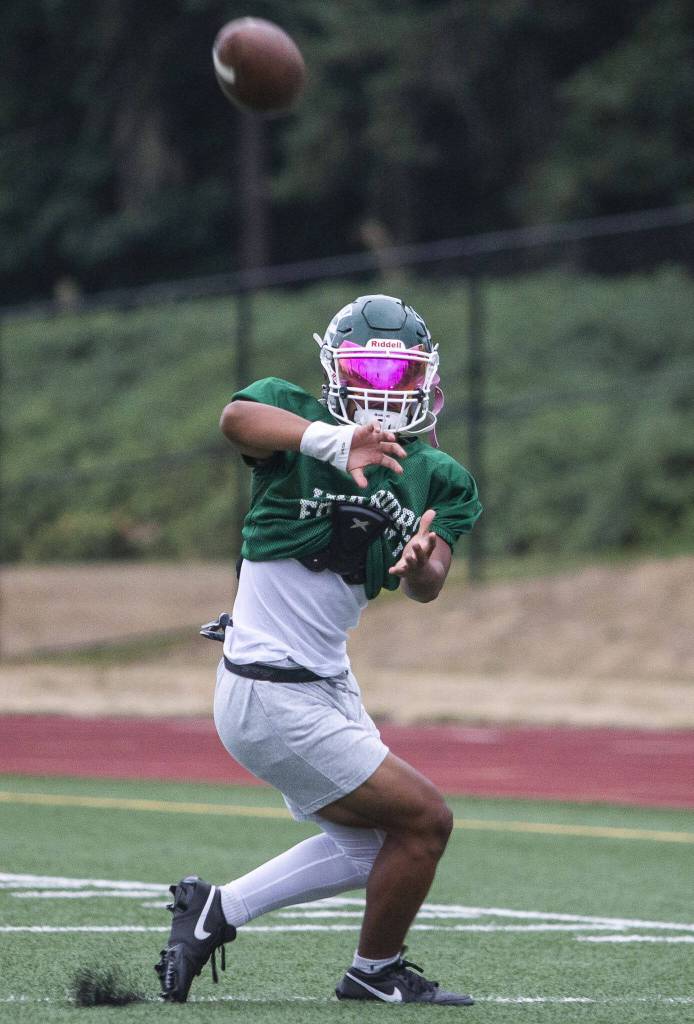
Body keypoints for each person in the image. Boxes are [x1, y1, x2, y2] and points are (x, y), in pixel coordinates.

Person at [155, 294, 482, 1005]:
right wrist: (331, 441)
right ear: (335, 369)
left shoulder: (442, 477)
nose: (382, 388)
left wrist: (423, 558)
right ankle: (375, 972)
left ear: (426, 379)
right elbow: (234, 418)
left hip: (326, 683)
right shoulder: (293, 419)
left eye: (400, 373)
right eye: (368, 367)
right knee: (427, 821)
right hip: (269, 685)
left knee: (377, 846)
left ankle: (215, 912)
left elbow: (430, 584)